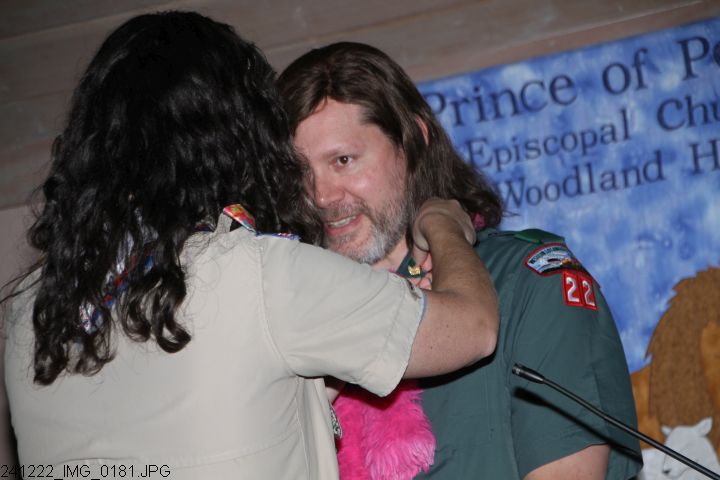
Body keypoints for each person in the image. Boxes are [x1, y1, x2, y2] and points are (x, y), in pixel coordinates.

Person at [1, 15, 500, 479]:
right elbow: (474, 329)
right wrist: (443, 222)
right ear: (240, 135)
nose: (321, 194)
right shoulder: (257, 273)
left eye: (343, 161)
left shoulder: (32, 312)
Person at [278, 42, 643, 480]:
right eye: (300, 173)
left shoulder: (526, 282)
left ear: (413, 140)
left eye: (343, 160)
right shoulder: (292, 327)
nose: (321, 196)